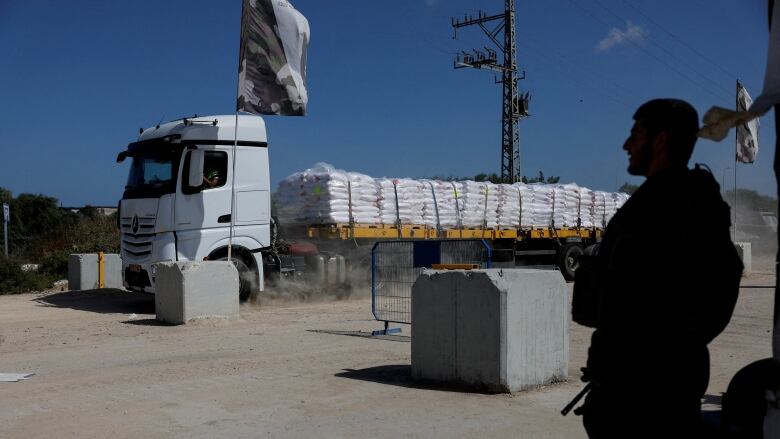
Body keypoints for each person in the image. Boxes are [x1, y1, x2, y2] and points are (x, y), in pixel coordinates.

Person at [576, 99, 742, 437]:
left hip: (645, 392)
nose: (626, 145)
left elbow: (719, 278)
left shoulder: (671, 203)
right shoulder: (674, 198)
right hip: (644, 380)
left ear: (661, 140)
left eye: (636, 134)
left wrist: (665, 349)